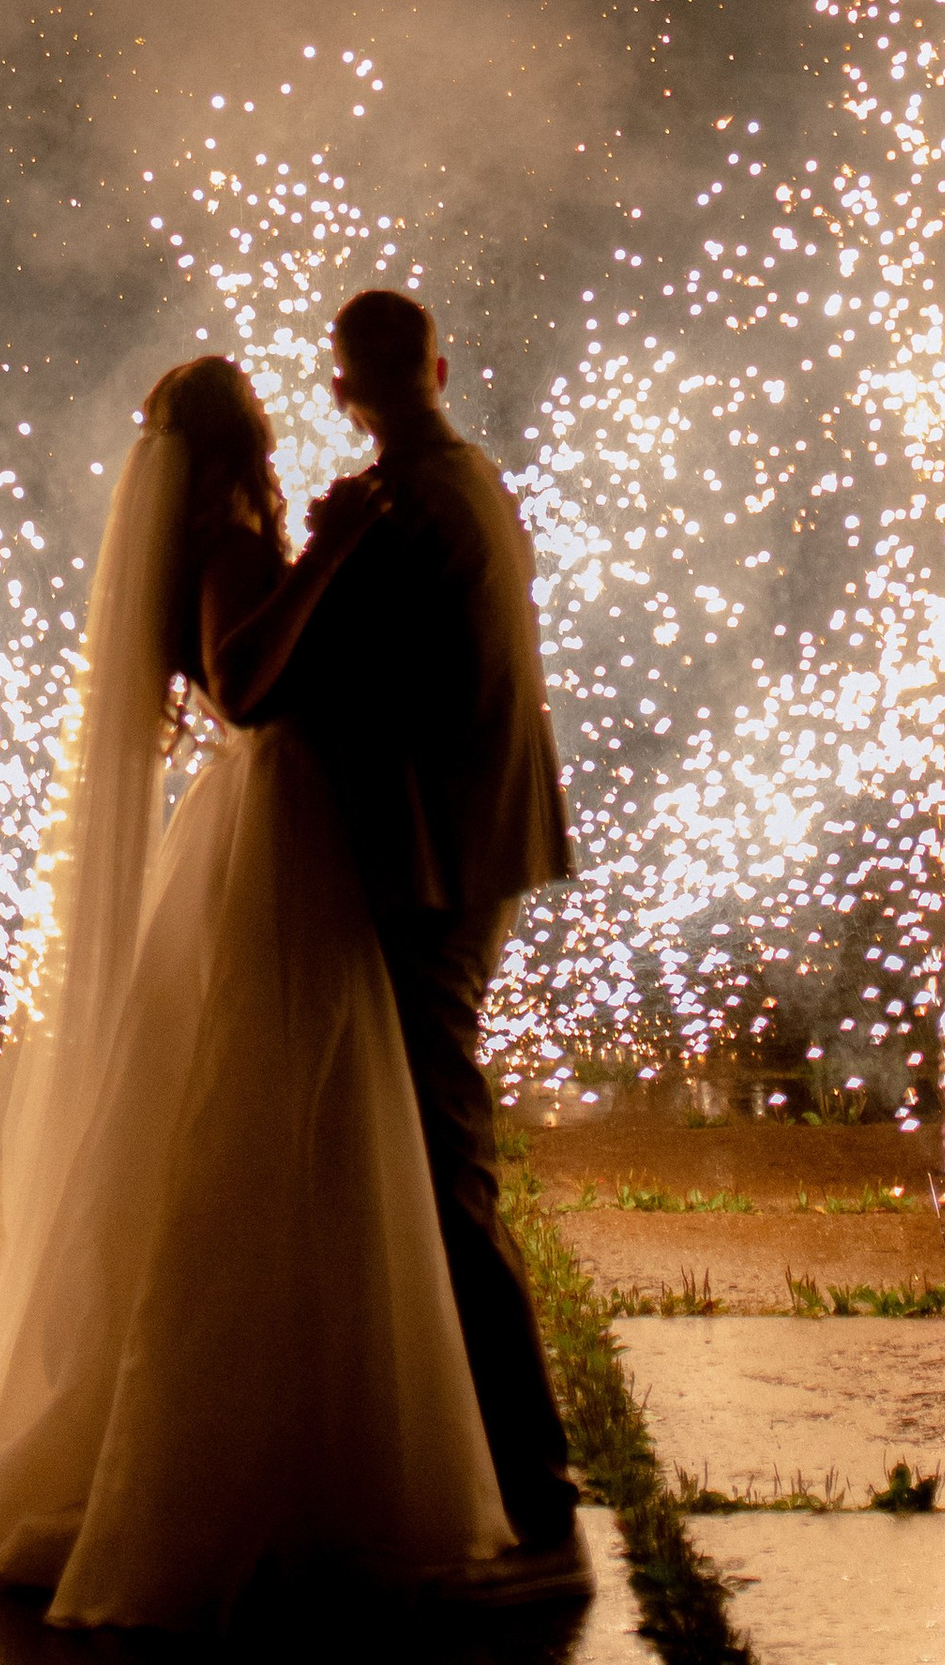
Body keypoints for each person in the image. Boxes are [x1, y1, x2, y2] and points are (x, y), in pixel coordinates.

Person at [0, 353, 514, 1630]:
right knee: (272, 1101)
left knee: (276, 1106)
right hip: (273, 833)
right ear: (241, 441)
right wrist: (328, 554)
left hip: (268, 826)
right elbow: (243, 681)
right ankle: (271, 1457)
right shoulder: (230, 539)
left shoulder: (218, 532)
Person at [265, 286, 584, 1586]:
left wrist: (307, 564)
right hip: (482, 842)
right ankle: (444, 1438)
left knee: (449, 1167)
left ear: (343, 391)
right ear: (439, 369)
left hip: (436, 859)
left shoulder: (397, 513)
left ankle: (531, 1477)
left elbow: (294, 680)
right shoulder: (475, 479)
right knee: (425, 1142)